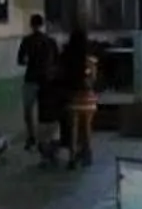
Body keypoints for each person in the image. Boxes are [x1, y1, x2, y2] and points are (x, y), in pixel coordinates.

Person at [57, 20, 101, 169]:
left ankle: (72, 157)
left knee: (73, 127)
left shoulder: (67, 57)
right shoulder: (90, 59)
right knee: (87, 127)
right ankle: (87, 153)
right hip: (88, 97)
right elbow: (94, 78)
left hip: (72, 95)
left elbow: (61, 74)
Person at [17, 13, 59, 163]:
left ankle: (31, 137)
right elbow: (57, 61)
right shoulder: (50, 41)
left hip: (31, 79)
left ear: (31, 25)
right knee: (45, 114)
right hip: (47, 82)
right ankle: (45, 142)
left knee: (28, 111)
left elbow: (20, 60)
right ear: (42, 25)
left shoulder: (27, 41)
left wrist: (30, 61)